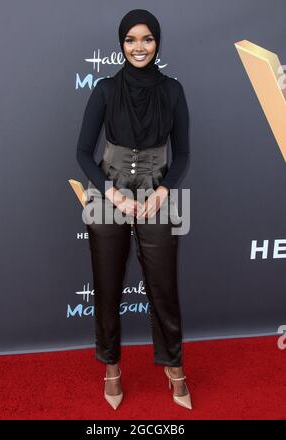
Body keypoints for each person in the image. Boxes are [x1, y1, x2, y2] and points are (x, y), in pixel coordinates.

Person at [76, 9, 191, 410]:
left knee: (164, 286)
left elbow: (183, 156)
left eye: (146, 39)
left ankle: (174, 367)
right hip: (109, 194)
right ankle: (111, 367)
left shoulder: (173, 90)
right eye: (130, 39)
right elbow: (82, 153)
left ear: (157, 42)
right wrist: (111, 192)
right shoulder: (106, 90)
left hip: (159, 193)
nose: (138, 47)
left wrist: (163, 192)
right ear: (121, 44)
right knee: (106, 285)